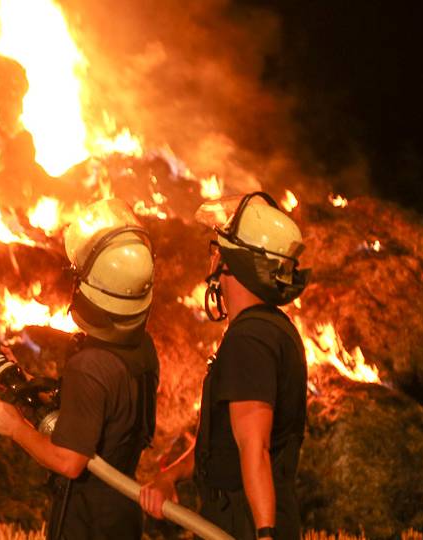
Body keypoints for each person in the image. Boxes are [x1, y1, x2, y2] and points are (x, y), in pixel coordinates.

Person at [0, 199, 159, 540]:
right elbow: (99, 409)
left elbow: (69, 461)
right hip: (122, 514)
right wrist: (27, 383)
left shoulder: (89, 365)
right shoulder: (141, 348)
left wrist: (15, 427)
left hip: (86, 521)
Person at [139, 192, 309, 540]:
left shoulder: (250, 342)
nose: (213, 259)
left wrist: (263, 533)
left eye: (219, 251)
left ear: (237, 264)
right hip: (236, 518)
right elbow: (224, 445)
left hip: (245, 524)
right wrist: (169, 475)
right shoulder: (268, 330)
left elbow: (254, 448)